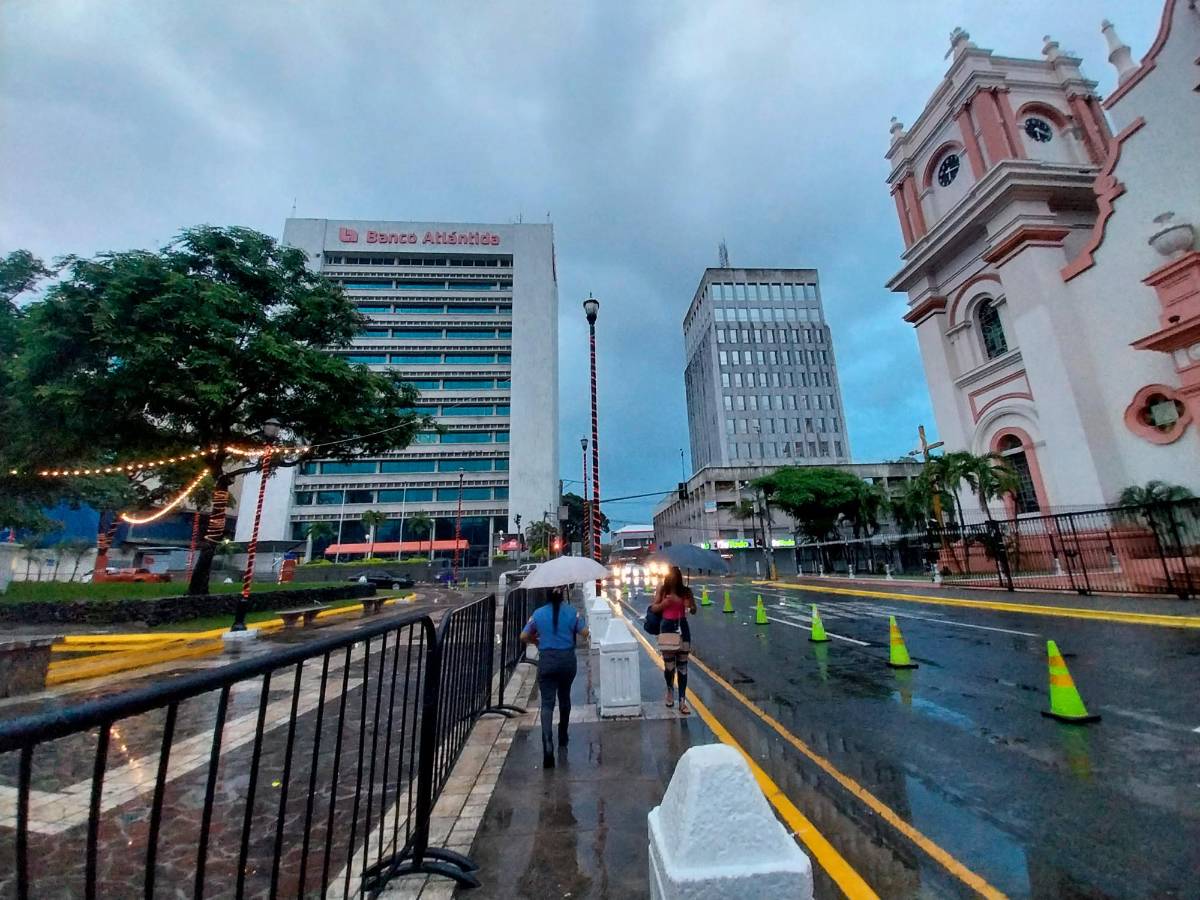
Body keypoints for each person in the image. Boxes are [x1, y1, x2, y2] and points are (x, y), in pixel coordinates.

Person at [520, 587, 589, 768]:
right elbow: (585, 633)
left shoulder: (538, 614)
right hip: (567, 661)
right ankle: (563, 735)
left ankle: (547, 743)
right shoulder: (571, 612)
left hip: (547, 661)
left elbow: (524, 635)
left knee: (547, 703)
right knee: (564, 698)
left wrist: (537, 641)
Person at [650, 566, 697, 715]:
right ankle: (670, 689)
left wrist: (688, 604)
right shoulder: (663, 591)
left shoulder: (686, 592)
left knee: (682, 667)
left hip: (682, 628)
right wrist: (664, 604)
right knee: (669, 666)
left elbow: (694, 609)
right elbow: (653, 608)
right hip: (667, 628)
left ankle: (682, 700)